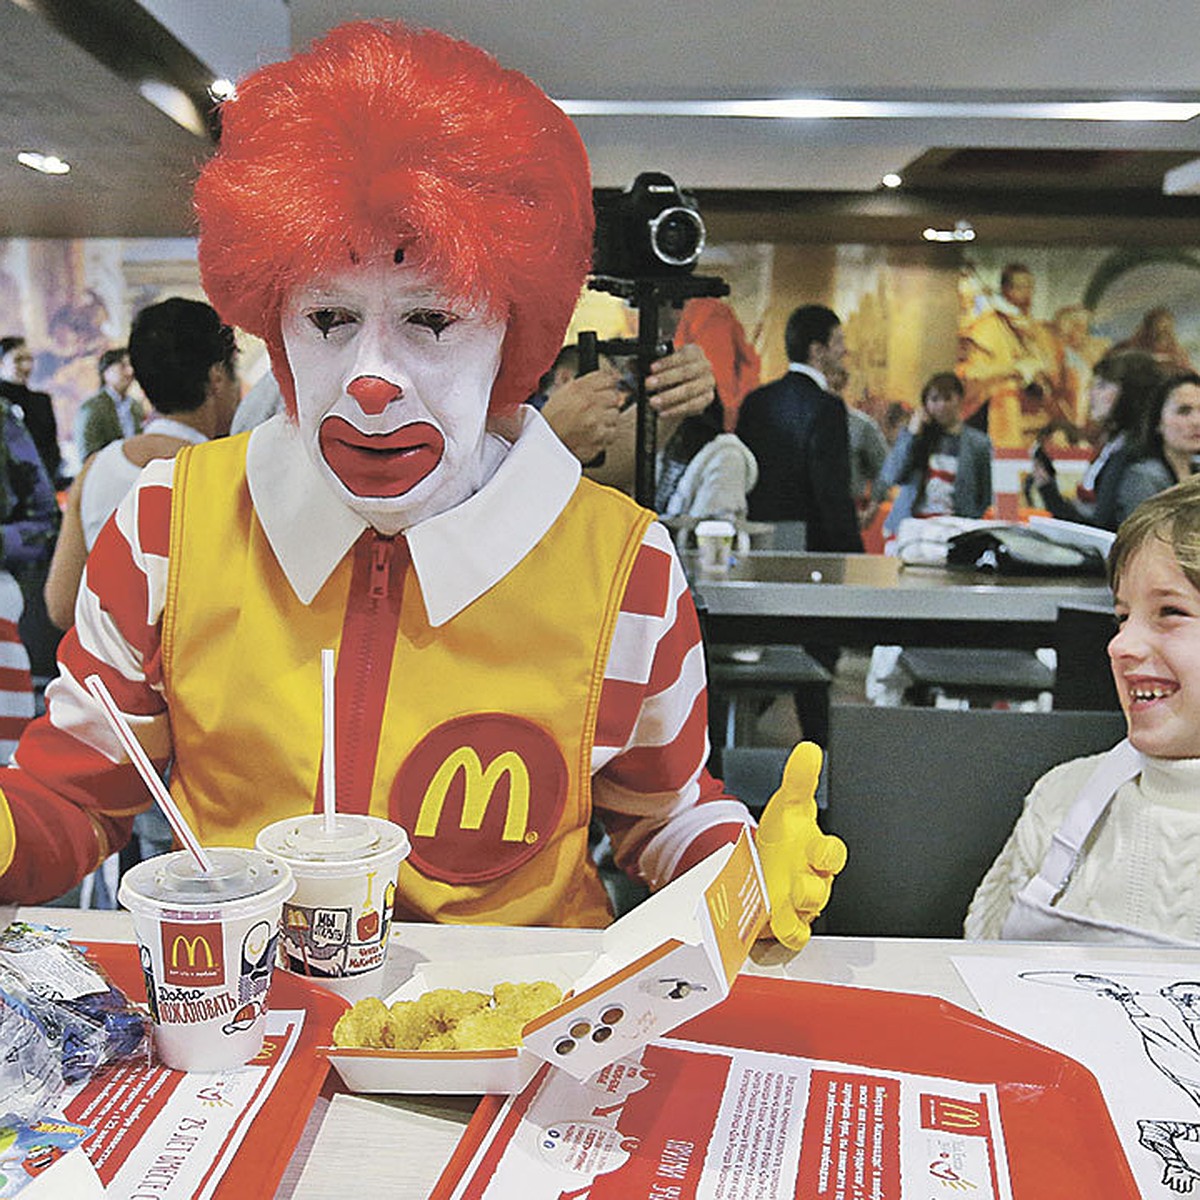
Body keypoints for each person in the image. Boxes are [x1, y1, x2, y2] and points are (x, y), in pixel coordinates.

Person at [0, 19, 843, 949]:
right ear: (274, 325)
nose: (370, 381)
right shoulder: (167, 527)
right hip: (248, 1030)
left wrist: (745, 871)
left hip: (516, 1042)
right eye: (327, 316)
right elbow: (74, 794)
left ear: (510, 337)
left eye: (432, 320)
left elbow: (664, 812)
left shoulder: (622, 565)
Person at [965, 472, 1200, 944]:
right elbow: (976, 978)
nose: (1121, 645)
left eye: (1170, 612)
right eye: (1122, 617)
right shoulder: (1060, 801)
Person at [45, 299, 240, 629]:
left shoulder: (96, 467)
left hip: (116, 673)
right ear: (217, 376)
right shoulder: (230, 473)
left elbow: (62, 606)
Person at [736, 304, 863, 553]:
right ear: (817, 350)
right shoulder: (827, 407)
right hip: (810, 542)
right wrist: (851, 550)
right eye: (837, 341)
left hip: (755, 535)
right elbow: (831, 489)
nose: (844, 351)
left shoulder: (756, 401)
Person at [1029, 350, 1164, 530]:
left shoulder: (1133, 454)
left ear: (1130, 393)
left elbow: (1101, 526)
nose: (1091, 394)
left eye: (1102, 386)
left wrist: (1048, 491)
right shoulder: (1115, 445)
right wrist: (1047, 486)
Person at [958, 263, 1070, 450]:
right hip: (1004, 421)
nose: (1027, 292)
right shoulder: (987, 326)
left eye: (1030, 286)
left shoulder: (1039, 331)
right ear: (1005, 289)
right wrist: (1015, 370)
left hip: (1040, 424)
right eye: (1019, 286)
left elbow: (1056, 376)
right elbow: (970, 376)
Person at [879, 372, 993, 538]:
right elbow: (892, 475)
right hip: (912, 527)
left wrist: (972, 521)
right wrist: (912, 434)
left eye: (947, 399)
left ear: (960, 400)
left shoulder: (978, 443)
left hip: (954, 529)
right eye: (934, 399)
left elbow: (985, 494)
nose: (941, 405)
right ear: (925, 404)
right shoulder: (915, 436)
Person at [1114, 373, 1200, 526]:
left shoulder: (1196, 471)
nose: (1197, 421)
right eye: (1184, 411)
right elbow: (1144, 541)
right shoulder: (1144, 477)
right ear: (1158, 421)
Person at [74, 347, 142, 463]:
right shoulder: (92, 407)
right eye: (123, 366)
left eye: (131, 365)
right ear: (106, 372)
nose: (130, 371)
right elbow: (88, 454)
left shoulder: (135, 406)